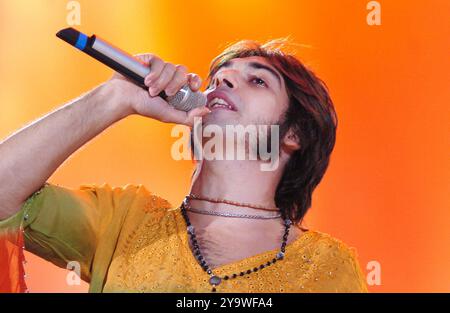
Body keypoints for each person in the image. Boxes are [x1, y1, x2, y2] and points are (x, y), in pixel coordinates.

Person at [0, 39, 367, 293]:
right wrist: (114, 98)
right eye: (221, 76)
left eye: (256, 80)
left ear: (295, 134)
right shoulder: (125, 220)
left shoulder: (328, 267)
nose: (223, 80)